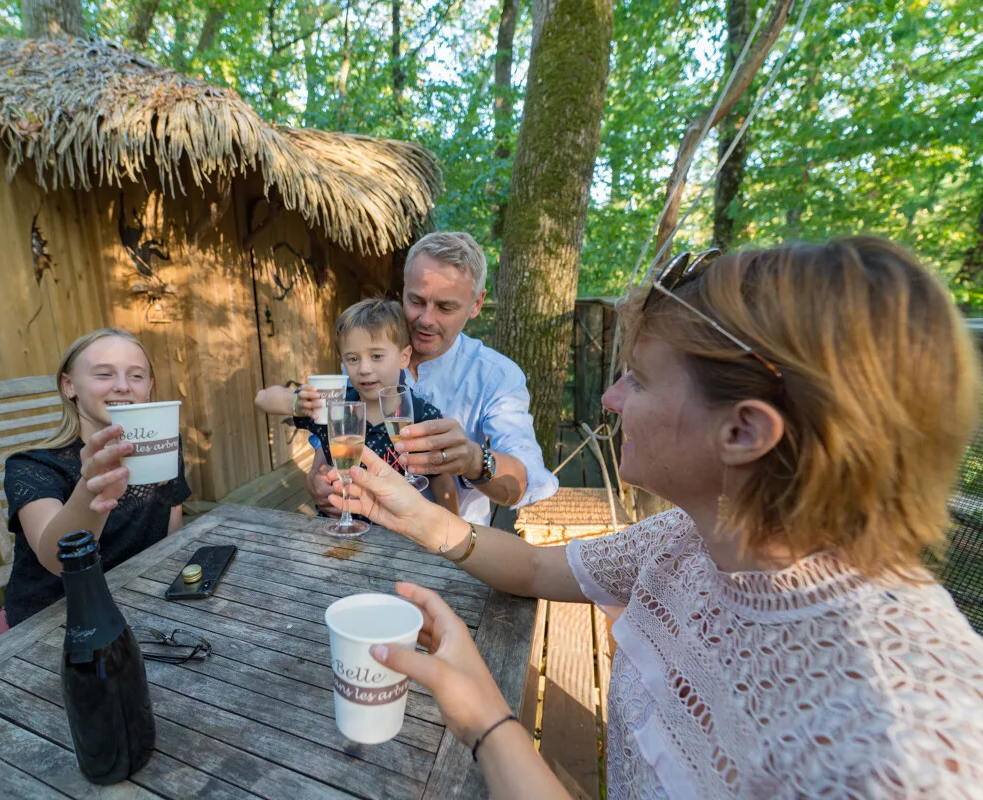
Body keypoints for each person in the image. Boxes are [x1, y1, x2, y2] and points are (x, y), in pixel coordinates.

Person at [328, 238, 983, 798]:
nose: (610, 400)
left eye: (638, 379)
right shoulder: (690, 540)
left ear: (744, 431)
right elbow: (530, 565)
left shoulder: (905, 737)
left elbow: (518, 477)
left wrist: (488, 720)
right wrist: (414, 513)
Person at [306, 232, 558, 526]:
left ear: (477, 304)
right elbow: (325, 448)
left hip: (450, 550)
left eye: (445, 307)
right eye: (416, 300)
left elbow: (526, 482)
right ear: (402, 291)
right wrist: (316, 483)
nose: (426, 319)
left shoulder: (498, 377)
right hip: (361, 537)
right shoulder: (364, 357)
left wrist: (475, 461)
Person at [0, 328, 191, 650]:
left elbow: (171, 532)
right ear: (69, 385)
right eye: (104, 374)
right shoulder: (33, 466)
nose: (123, 386)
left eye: (137, 376)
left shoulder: (165, 445)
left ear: (149, 388)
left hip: (140, 605)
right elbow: (56, 560)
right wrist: (91, 489)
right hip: (50, 622)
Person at [256, 298, 458, 515]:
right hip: (338, 532)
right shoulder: (334, 407)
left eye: (377, 356)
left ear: (404, 357)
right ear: (343, 362)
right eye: (353, 359)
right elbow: (262, 398)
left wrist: (451, 539)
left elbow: (443, 486)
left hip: (398, 537)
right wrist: (297, 403)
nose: (364, 368)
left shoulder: (422, 417)